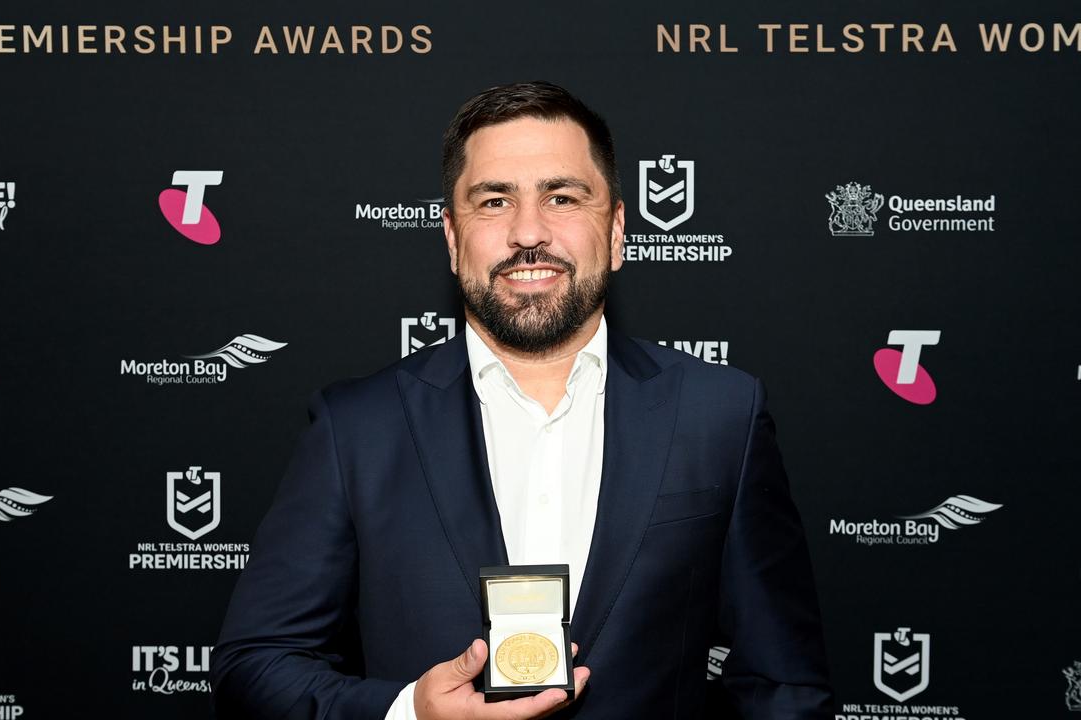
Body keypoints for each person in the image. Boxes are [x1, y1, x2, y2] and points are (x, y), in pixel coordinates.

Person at [211, 81, 834, 719]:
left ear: (617, 228)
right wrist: (409, 714)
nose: (528, 231)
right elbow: (256, 662)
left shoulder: (720, 414)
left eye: (562, 197)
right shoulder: (357, 430)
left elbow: (783, 683)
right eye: (494, 201)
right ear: (452, 240)